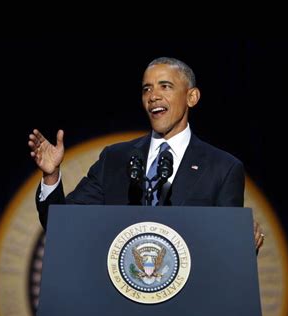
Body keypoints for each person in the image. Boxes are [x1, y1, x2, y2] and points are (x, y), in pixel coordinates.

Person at [28, 57, 264, 251]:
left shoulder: (223, 168)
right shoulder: (115, 159)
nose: (153, 96)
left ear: (192, 97)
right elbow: (62, 226)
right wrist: (51, 176)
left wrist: (242, 245)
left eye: (165, 86)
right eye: (146, 89)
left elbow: (226, 253)